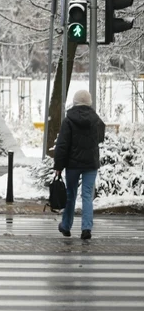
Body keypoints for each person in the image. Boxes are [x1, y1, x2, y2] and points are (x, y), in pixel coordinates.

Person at [54, 89, 105, 240]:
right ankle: (86, 228)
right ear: (89, 102)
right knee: (87, 196)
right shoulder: (96, 120)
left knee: (71, 195)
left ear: (75, 102)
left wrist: (58, 166)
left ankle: (66, 226)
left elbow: (62, 145)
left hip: (72, 164)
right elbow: (100, 137)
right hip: (90, 163)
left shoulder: (68, 120)